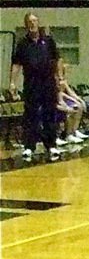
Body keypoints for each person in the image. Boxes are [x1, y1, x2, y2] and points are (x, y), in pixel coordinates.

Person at [9, 12, 61, 162]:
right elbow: (17, 64)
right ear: (26, 25)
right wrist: (13, 82)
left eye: (35, 21)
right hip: (32, 82)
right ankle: (29, 146)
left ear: (39, 23)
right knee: (31, 114)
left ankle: (50, 144)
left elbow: (56, 59)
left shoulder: (48, 41)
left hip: (48, 82)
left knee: (49, 113)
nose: (33, 24)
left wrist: (60, 78)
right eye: (30, 22)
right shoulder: (23, 43)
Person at [56, 59, 89, 146]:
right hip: (54, 102)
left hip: (62, 100)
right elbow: (58, 95)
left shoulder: (63, 80)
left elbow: (69, 92)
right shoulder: (52, 80)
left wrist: (79, 100)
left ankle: (74, 131)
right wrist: (64, 104)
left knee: (78, 107)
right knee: (69, 111)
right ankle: (65, 134)